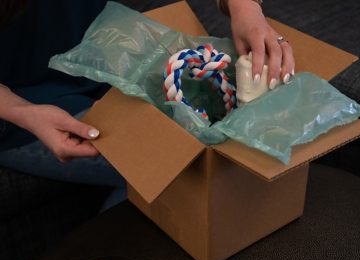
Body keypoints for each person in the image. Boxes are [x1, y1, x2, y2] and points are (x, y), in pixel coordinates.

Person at [0, 0, 295, 211]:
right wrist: (21, 112)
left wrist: (245, 8)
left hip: (104, 51)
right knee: (187, 168)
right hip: (24, 104)